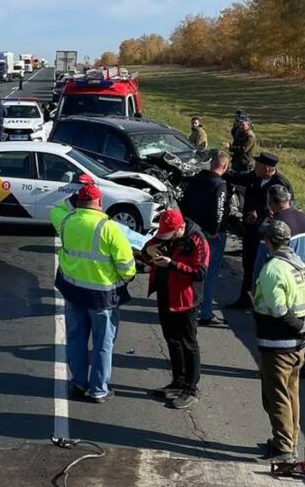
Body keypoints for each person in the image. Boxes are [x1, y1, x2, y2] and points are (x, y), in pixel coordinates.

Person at [50, 181, 137, 403]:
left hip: (73, 292)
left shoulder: (67, 221)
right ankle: (99, 389)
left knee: (76, 339)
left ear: (78, 202)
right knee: (102, 344)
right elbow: (127, 266)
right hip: (102, 297)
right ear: (99, 203)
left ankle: (79, 383)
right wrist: (123, 279)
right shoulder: (109, 228)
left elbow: (55, 208)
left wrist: (72, 197)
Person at [254, 218, 305, 462]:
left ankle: (283, 448)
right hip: (297, 348)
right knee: (292, 393)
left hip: (277, 346)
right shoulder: (301, 266)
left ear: (269, 242)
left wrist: (302, 327)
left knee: (276, 396)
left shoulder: (273, 270)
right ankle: (289, 439)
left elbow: (279, 312)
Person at [140, 208, 210, 409]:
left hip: (186, 300)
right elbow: (148, 249)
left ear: (180, 228)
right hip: (165, 294)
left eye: (169, 235)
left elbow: (200, 273)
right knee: (171, 339)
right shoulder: (167, 234)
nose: (165, 238)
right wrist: (148, 253)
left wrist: (173, 264)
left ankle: (191, 388)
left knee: (188, 343)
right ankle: (178, 381)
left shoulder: (197, 240)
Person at [226, 152, 294, 308]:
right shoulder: (254, 177)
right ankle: (245, 298)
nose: (254, 168)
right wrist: (222, 172)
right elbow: (237, 177)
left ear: (268, 169)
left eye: (258, 166)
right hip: (250, 230)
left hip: (268, 236)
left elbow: (286, 209)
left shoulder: (280, 184)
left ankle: (263, 300)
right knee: (248, 264)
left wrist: (260, 212)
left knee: (264, 267)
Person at [180, 150, 229, 326]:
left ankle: (188, 305)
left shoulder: (195, 180)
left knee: (191, 270)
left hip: (193, 231)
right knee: (209, 274)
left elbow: (184, 203)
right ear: (224, 166)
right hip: (211, 235)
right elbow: (219, 210)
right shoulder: (219, 185)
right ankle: (205, 312)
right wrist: (215, 229)